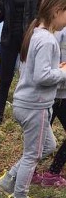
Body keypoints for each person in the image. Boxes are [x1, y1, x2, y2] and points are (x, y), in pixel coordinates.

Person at [0, 0, 66, 198]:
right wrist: (64, 73)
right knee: (32, 155)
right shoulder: (47, 40)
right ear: (56, 11)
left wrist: (58, 69)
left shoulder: (37, 33)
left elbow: (39, 70)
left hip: (26, 103)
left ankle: (8, 181)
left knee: (49, 145)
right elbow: (42, 76)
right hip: (35, 106)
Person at [0, 0, 50, 124]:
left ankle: (33, 114)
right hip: (9, 36)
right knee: (6, 76)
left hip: (32, 37)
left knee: (31, 76)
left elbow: (47, 10)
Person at [32, 25, 66, 186]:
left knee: (40, 137)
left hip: (61, 93)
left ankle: (53, 172)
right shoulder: (55, 32)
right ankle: (28, 171)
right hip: (53, 93)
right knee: (39, 137)